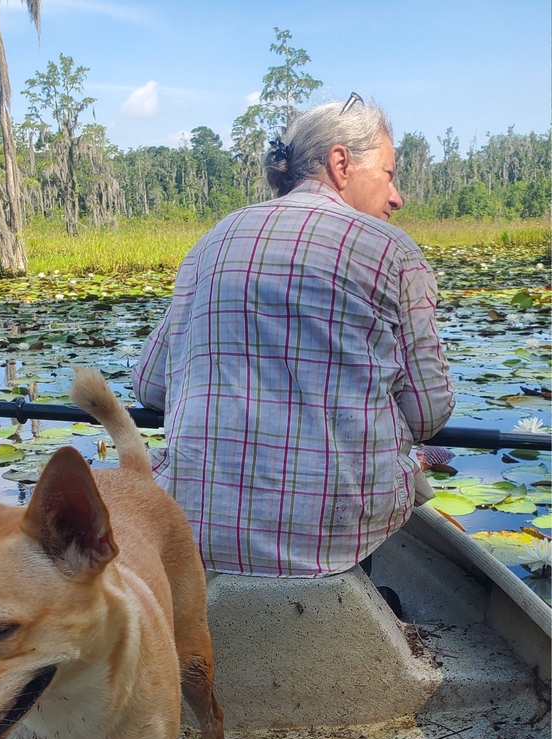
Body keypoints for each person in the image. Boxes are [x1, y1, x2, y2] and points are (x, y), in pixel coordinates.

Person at [133, 97, 454, 578]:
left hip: (198, 531)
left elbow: (150, 388)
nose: (397, 197)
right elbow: (429, 414)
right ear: (341, 163)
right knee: (414, 463)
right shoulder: (393, 250)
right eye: (389, 174)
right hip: (334, 541)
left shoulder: (209, 243)